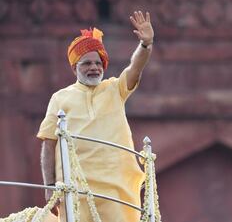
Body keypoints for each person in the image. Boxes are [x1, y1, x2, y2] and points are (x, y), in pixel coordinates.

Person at [37, 11, 154, 222]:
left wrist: (145, 45)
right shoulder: (60, 98)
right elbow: (48, 144)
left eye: (98, 63)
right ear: (75, 68)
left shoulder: (114, 89)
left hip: (115, 188)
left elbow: (136, 67)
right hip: (76, 188)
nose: (94, 67)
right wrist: (49, 186)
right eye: (87, 63)